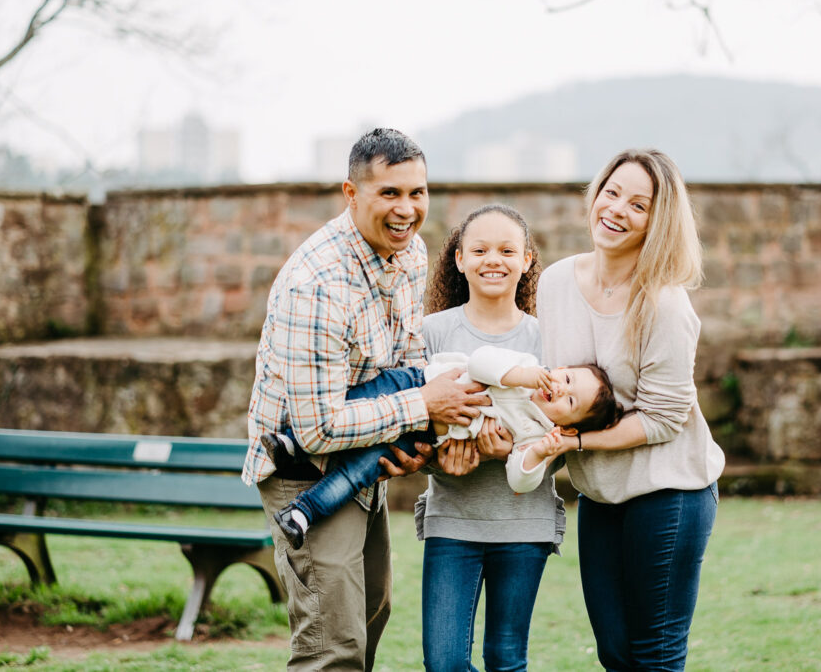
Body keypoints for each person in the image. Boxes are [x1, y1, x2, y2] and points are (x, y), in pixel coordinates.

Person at [242, 128, 488, 671]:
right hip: (304, 474)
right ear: (351, 194)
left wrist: (410, 442)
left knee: (373, 613)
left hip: (365, 457)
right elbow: (317, 429)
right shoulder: (317, 284)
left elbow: (406, 360)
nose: (407, 209)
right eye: (390, 193)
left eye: (417, 192)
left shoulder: (411, 252)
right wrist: (423, 406)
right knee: (333, 647)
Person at [530, 149, 726, 671]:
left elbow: (663, 418)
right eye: (611, 192)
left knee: (654, 655)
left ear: (657, 223)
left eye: (638, 205)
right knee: (614, 653)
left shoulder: (664, 303)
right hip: (601, 492)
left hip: (669, 491)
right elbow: (545, 382)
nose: (617, 209)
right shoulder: (554, 283)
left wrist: (577, 442)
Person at [264, 344, 621, 548]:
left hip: (422, 436)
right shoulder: (525, 369)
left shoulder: (534, 436)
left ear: (564, 426)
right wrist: (521, 376)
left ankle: (302, 513)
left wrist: (540, 453)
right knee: (358, 405)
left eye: (570, 400)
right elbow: (480, 361)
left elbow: (520, 479)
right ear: (560, 368)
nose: (560, 388)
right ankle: (293, 442)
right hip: (415, 386)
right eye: (567, 378)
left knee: (358, 472)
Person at [416, 204, 560, 672]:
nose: (492, 260)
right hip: (452, 520)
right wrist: (440, 460)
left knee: (506, 659)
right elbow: (413, 423)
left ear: (527, 259)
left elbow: (565, 432)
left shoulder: (547, 339)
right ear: (459, 259)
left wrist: (518, 453)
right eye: (479, 250)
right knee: (444, 663)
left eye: (506, 250)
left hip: (524, 522)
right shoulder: (432, 332)